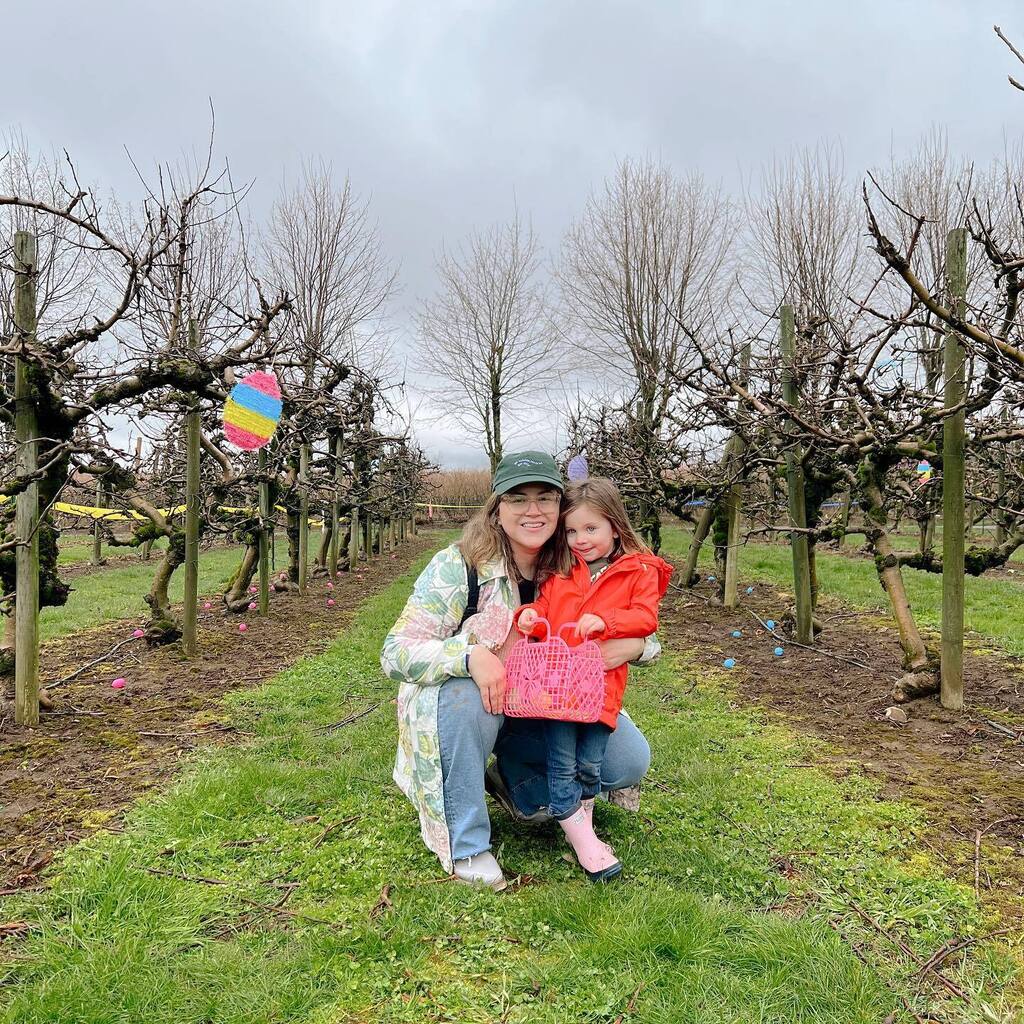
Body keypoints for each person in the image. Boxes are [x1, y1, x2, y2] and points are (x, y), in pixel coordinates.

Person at [381, 452, 657, 890]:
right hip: (480, 703)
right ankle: (468, 843)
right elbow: (395, 650)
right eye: (517, 498)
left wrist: (640, 645)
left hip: (548, 704)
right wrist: (469, 656)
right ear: (496, 508)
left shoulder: (578, 562)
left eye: (546, 498)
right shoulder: (461, 566)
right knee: (465, 697)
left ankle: (518, 782)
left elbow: (634, 614)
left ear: (561, 507)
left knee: (627, 758)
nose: (533, 510)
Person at [516, 477, 672, 882]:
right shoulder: (563, 571)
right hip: (557, 692)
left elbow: (646, 618)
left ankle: (580, 815)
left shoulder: (639, 570)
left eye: (590, 529)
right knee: (562, 762)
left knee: (590, 764)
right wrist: (528, 618)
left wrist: (608, 622)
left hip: (601, 693)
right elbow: (544, 612)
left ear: (615, 526)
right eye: (571, 531)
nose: (580, 539)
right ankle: (582, 837)